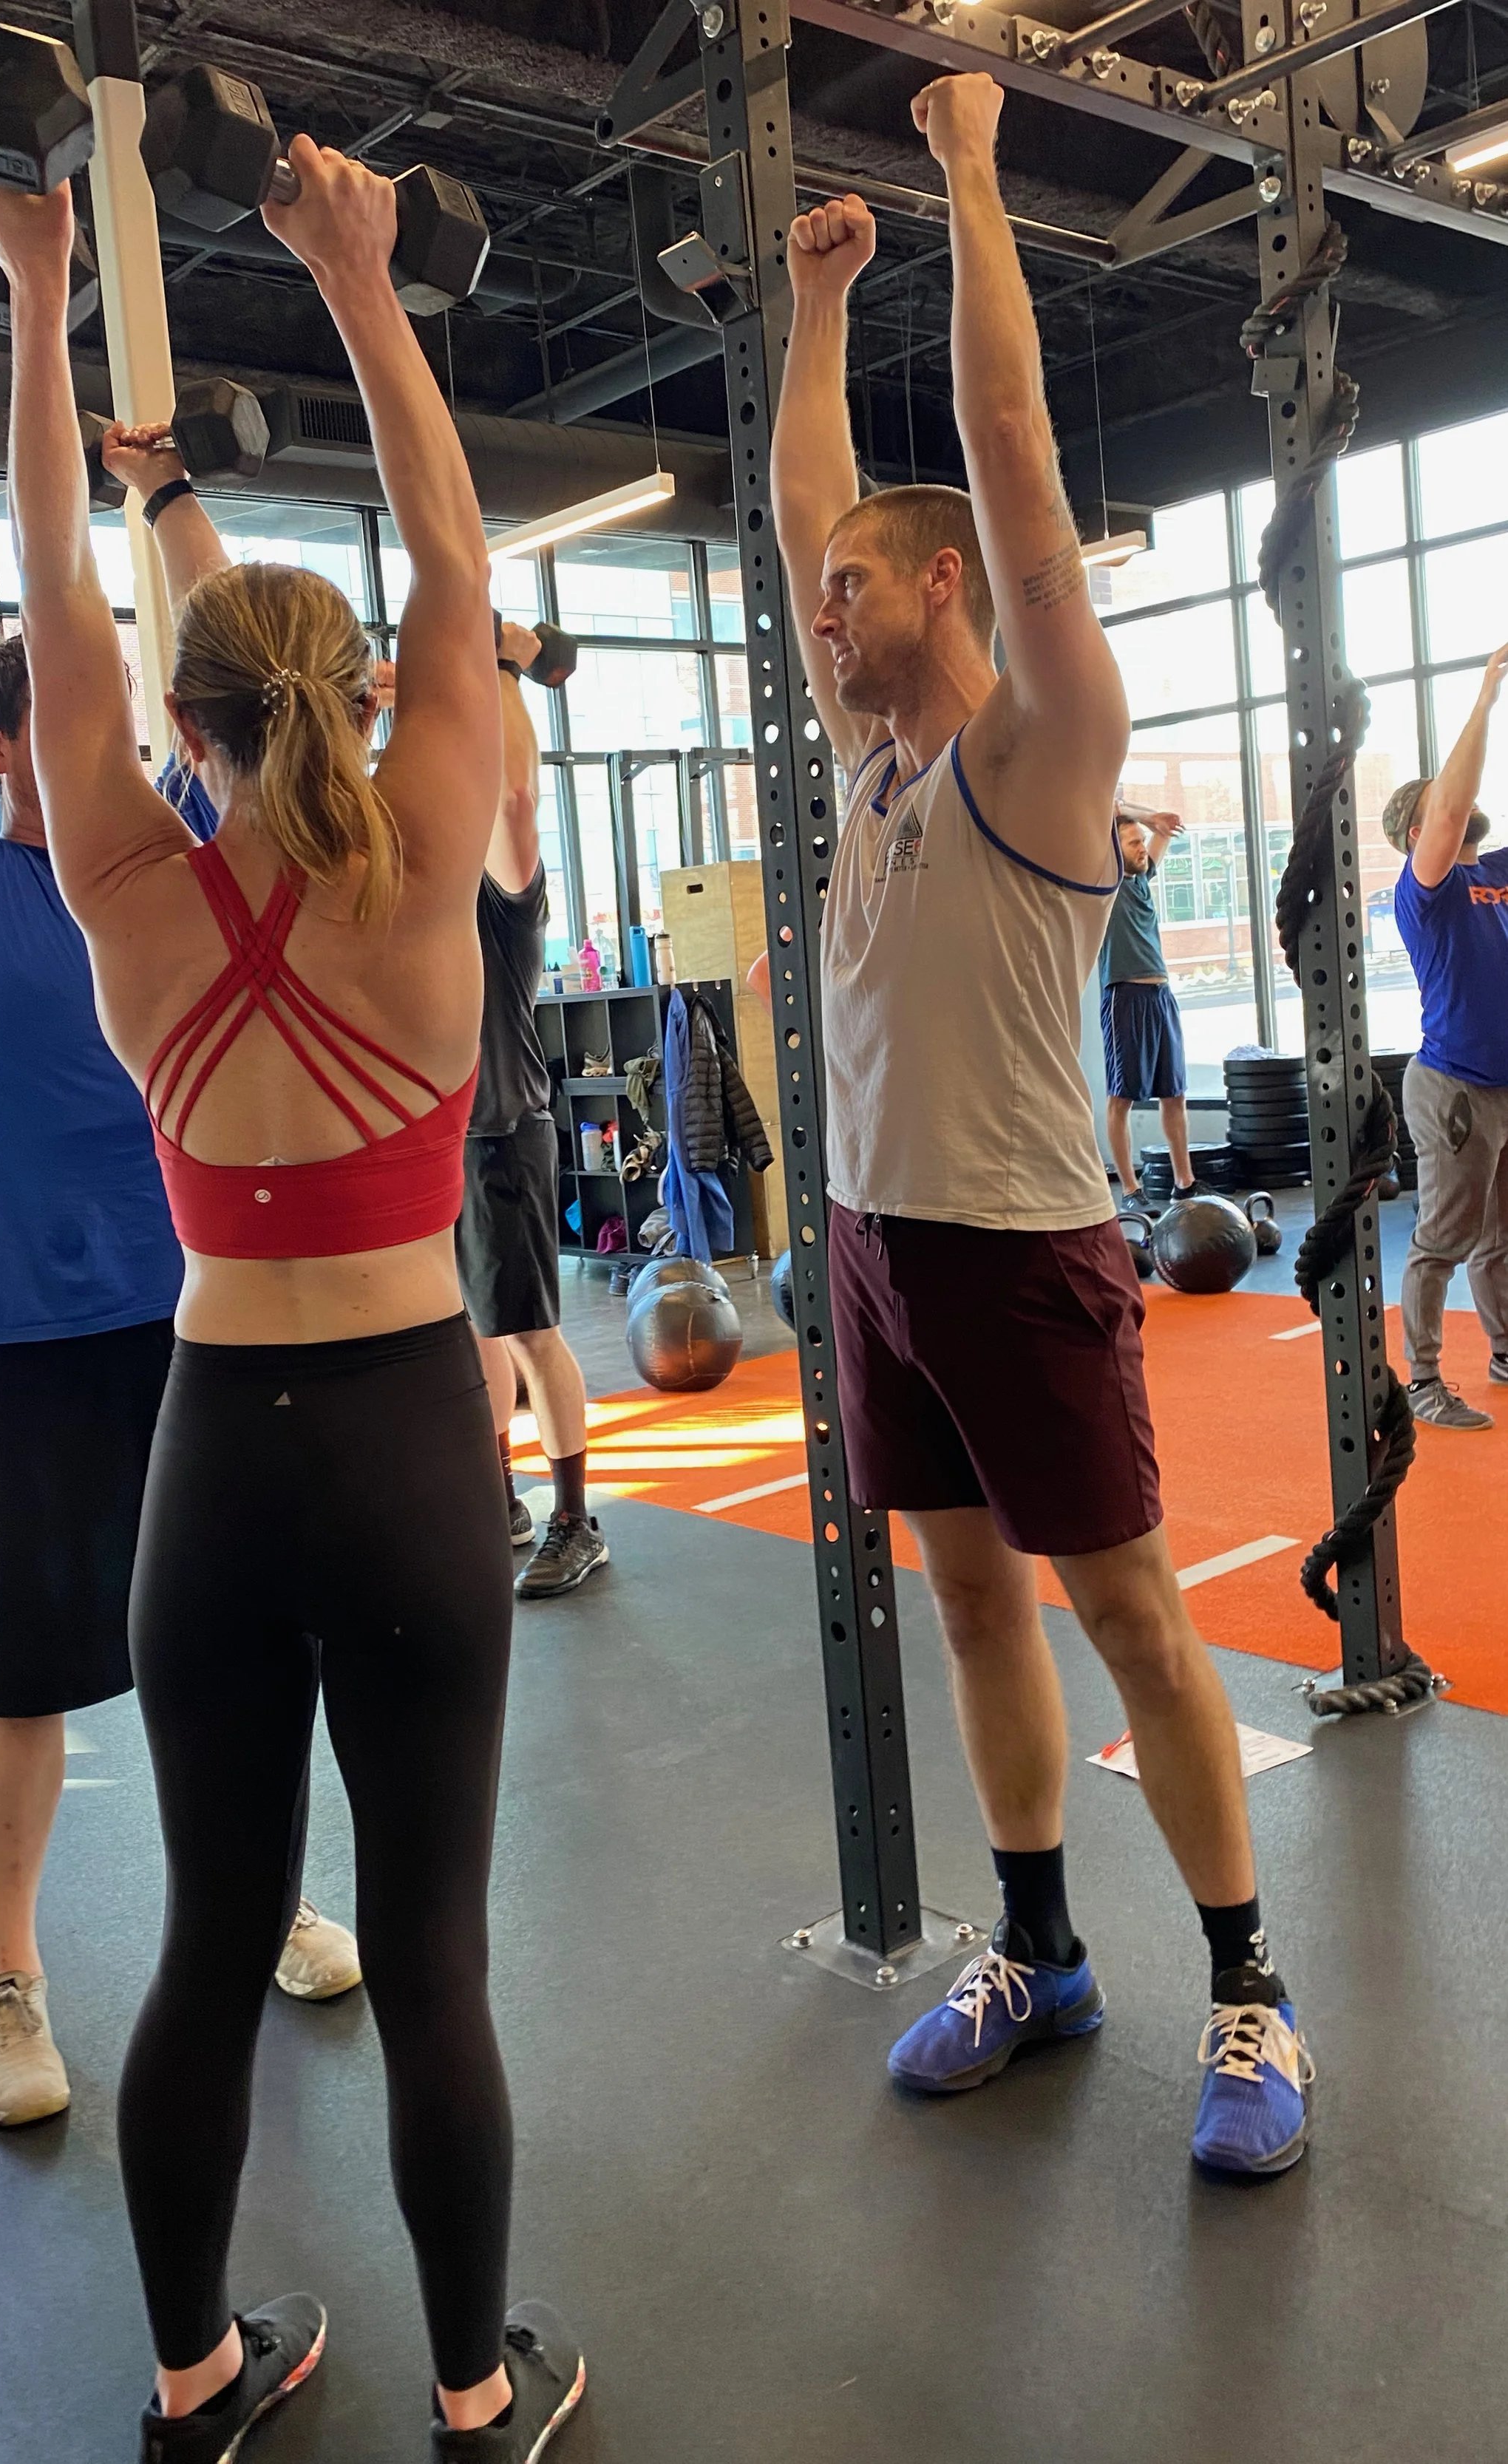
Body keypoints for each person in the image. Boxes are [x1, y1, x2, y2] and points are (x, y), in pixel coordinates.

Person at [0, 135, 583, 2464]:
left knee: (213, 1938)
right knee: (425, 1955)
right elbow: (446, 556)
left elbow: (53, 582)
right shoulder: (426, 844)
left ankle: (195, 2381)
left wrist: (34, 305)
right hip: (418, 1455)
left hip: (208, 1469)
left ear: (180, 728)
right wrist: (354, 281)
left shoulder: (117, 872)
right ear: (344, 698)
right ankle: (463, 2391)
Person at [770, 71, 1312, 2176]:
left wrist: (970, 176)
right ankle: (1036, 1945)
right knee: (974, 1606)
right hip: (872, 1244)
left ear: (941, 589)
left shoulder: (1036, 740)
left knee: (1130, 1615)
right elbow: (827, 488)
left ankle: (1250, 1985)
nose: (817, 610)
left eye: (845, 588)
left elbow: (1000, 460)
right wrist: (817, 308)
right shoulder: (882, 761)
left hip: (1016, 1242)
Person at [0, 404, 353, 2128]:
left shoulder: (186, 871)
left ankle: (263, 1905)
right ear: (4, 746)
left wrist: (164, 494)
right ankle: (6, 1973)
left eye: (119, 721)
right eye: (65, 722)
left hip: (204, 1320)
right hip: (30, 1344)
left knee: (247, 1654)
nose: (104, 746)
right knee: (26, 1682)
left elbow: (278, 717)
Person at [458, 628, 606, 1600]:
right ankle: (501, 1499)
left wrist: (506, 664)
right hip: (443, 1143)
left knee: (530, 1333)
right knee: (476, 1334)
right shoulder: (424, 886)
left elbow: (515, 796)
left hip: (509, 1130)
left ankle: (574, 1518)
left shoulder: (506, 890)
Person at [1385, 642, 1508, 1432]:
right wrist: (1486, 695)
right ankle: (1422, 1380)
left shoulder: (1493, 869)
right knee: (1444, 1237)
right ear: (1417, 829)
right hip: (1453, 1085)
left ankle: (1505, 1349)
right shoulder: (1424, 889)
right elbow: (1452, 810)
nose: (1459, 813)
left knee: (1501, 1236)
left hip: (1501, 1086)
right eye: (1442, 810)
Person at [1101, 807, 1197, 1204]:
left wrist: (1157, 826)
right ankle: (1130, 1189)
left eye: (1143, 842)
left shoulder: (1141, 880)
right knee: (1122, 1098)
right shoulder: (1103, 883)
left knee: (1174, 1093)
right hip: (1125, 996)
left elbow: (1165, 830)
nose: (1143, 849)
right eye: (1134, 843)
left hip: (1161, 995)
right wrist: (1141, 815)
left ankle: (1184, 1183)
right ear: (1112, 849)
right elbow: (1108, 806)